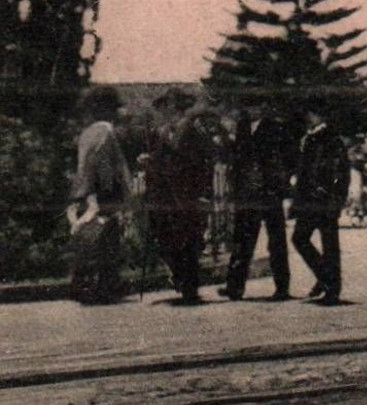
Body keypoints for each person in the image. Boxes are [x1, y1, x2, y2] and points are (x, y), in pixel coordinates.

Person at [146, 90, 217, 305]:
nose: (162, 111)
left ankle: (189, 288)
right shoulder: (160, 131)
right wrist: (149, 161)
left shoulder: (192, 129)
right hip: (165, 196)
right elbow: (160, 160)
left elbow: (206, 162)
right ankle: (181, 279)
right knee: (166, 239)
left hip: (187, 194)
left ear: (174, 107)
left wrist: (205, 192)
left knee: (188, 241)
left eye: (165, 105)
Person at [67, 86, 135, 305]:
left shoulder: (87, 132)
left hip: (85, 192)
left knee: (91, 239)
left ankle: (90, 284)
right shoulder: (105, 133)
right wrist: (112, 198)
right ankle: (101, 286)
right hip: (102, 194)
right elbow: (103, 168)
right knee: (105, 240)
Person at [221, 94, 292, 302]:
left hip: (269, 192)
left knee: (276, 241)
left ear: (264, 106)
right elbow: (237, 159)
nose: (252, 110)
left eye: (256, 105)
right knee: (242, 241)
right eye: (248, 106)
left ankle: (282, 287)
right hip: (247, 193)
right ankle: (234, 287)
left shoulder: (275, 127)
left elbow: (286, 158)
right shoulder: (242, 127)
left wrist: (280, 183)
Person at [290, 101, 350, 306]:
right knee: (308, 240)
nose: (308, 117)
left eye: (311, 113)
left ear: (319, 115)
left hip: (321, 199)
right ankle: (327, 279)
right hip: (312, 199)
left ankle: (330, 284)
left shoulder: (328, 138)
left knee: (320, 242)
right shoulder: (311, 137)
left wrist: (333, 196)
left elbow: (339, 171)